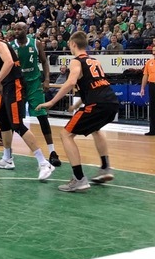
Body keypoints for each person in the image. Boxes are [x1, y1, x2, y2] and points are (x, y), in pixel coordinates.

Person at [36, 31, 120, 192]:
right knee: (96, 129)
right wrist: (76, 106)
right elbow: (95, 86)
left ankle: (79, 178)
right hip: (111, 102)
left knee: (66, 134)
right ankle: (105, 168)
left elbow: (71, 82)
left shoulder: (76, 61)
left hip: (97, 104)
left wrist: (52, 102)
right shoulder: (94, 60)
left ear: (73, 44)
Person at [0, 23, 54, 181]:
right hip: (9, 86)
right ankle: (7, 158)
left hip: (15, 86)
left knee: (17, 124)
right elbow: (2, 68)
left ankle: (43, 162)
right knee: (3, 120)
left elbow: (9, 63)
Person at [11, 22, 61, 167]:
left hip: (34, 83)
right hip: (18, 84)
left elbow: (44, 62)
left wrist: (47, 79)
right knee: (15, 119)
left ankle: (52, 152)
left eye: (20, 29)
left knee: (42, 116)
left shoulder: (36, 43)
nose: (17, 31)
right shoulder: (10, 46)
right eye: (15, 29)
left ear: (26, 30)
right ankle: (8, 153)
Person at [140, 47, 155, 136]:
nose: (154, 51)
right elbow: (145, 75)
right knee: (152, 108)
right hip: (152, 85)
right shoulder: (149, 62)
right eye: (153, 50)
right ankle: (152, 130)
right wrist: (142, 88)